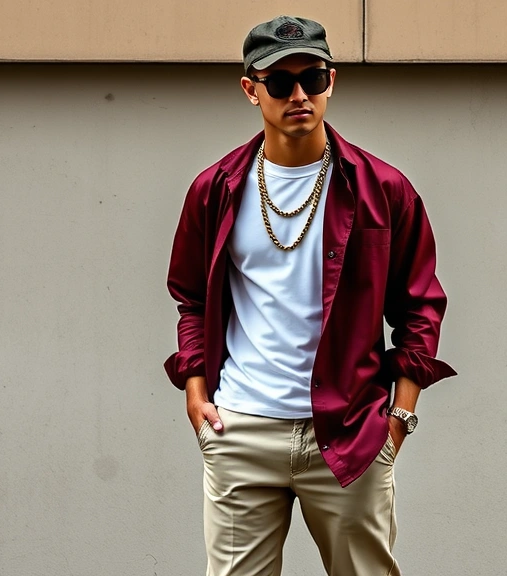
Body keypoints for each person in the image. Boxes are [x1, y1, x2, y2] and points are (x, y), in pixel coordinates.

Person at [164, 15, 456, 576]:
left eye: (313, 79)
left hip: (351, 432)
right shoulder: (215, 189)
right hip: (241, 428)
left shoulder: (383, 189)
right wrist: (197, 393)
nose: (299, 95)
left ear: (331, 81)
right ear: (251, 89)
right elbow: (191, 299)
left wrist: (399, 416)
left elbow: (420, 305)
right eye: (279, 82)